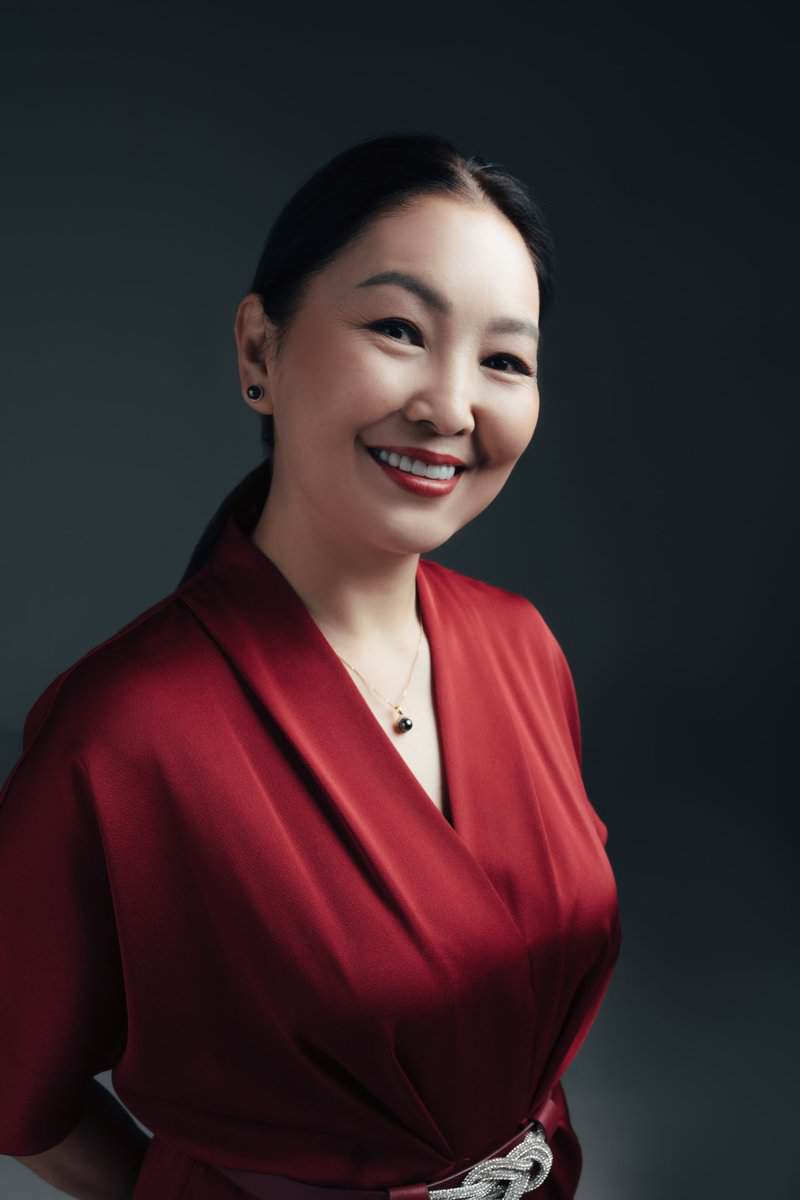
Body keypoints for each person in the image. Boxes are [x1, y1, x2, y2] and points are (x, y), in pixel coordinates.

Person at [0, 132, 621, 1200]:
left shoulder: (522, 646)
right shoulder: (122, 728)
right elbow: (16, 1086)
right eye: (396, 329)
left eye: (503, 359)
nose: (449, 406)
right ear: (258, 353)